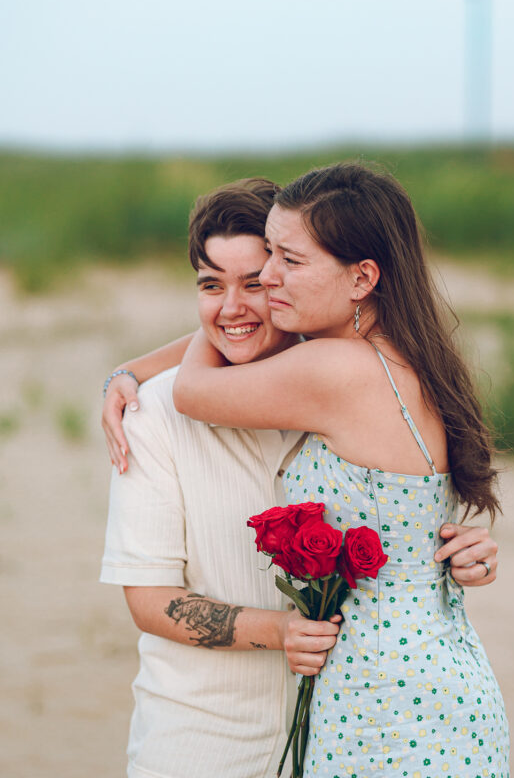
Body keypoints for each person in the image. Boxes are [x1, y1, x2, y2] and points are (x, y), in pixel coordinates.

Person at [101, 174, 499, 778]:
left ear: (362, 278)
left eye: (274, 270)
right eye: (212, 283)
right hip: (425, 681)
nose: (263, 289)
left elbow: (194, 389)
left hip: (389, 702)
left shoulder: (329, 371)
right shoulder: (400, 354)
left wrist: (130, 368)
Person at [100, 178, 342, 778]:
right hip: (196, 745)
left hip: (337, 738)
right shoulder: (151, 416)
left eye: (255, 284)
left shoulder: (338, 396)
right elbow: (152, 600)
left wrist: (457, 548)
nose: (230, 307)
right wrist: (280, 629)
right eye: (212, 285)